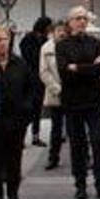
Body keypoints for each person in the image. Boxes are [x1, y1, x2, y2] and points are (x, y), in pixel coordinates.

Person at [56, 6, 100, 199]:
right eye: (78, 18)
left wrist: (77, 67)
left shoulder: (96, 43)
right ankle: (80, 185)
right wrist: (90, 67)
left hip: (94, 101)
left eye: (84, 18)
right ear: (70, 22)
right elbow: (64, 72)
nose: (81, 22)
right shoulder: (62, 45)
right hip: (72, 102)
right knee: (77, 145)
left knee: (97, 141)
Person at [0, 26, 32, 199]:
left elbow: (30, 89)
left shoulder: (20, 63)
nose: (3, 43)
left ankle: (13, 193)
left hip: (16, 119)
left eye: (5, 39)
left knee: (14, 158)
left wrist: (26, 110)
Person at [40, 20, 68, 170]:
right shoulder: (46, 48)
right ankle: (53, 157)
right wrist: (57, 88)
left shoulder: (71, 45)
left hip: (73, 92)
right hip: (55, 92)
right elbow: (44, 72)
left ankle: (84, 157)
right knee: (56, 128)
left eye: (64, 30)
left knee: (76, 128)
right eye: (59, 30)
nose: (62, 33)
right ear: (53, 32)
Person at [19, 16, 51, 148]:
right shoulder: (28, 38)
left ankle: (35, 136)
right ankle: (21, 137)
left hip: (40, 77)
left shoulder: (45, 40)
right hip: (29, 77)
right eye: (48, 26)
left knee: (37, 109)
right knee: (28, 109)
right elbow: (27, 55)